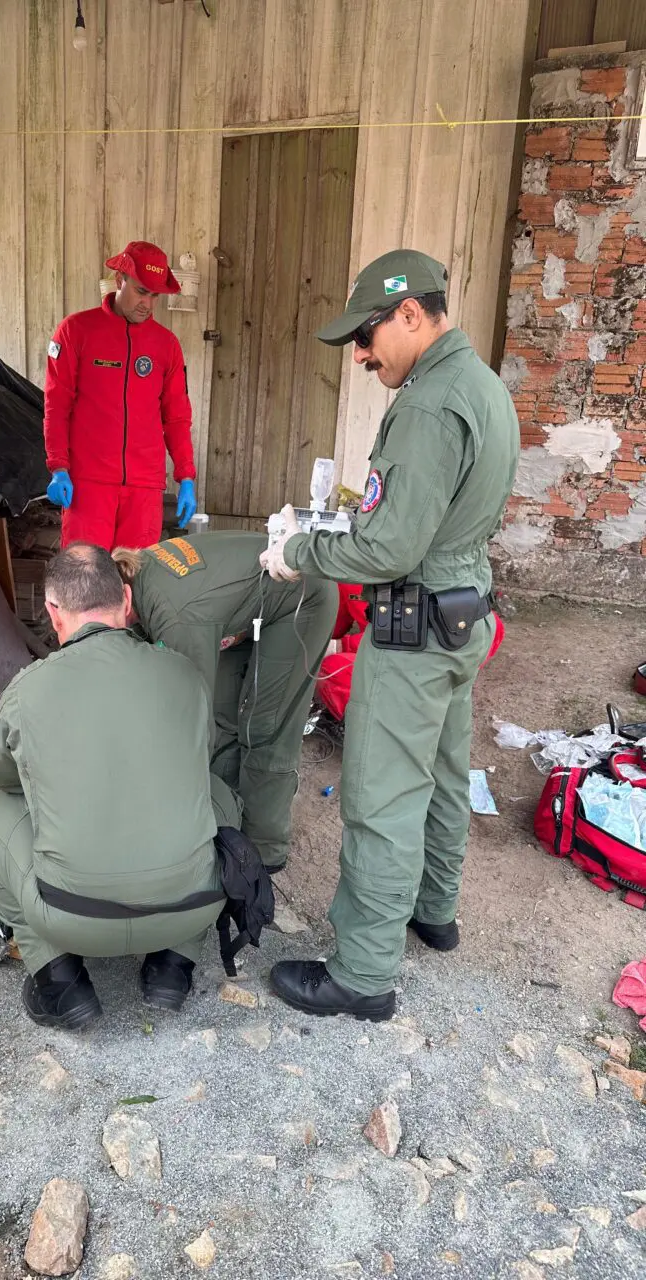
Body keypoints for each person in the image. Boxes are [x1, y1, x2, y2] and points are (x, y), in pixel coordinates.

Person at [261, 249, 519, 1022]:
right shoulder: (480, 384)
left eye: (365, 336)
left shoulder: (430, 405)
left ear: (410, 313)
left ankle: (363, 973)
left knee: (381, 797)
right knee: (442, 774)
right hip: (463, 615)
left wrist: (298, 551)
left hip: (414, 630)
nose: (361, 355)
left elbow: (388, 551)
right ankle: (434, 911)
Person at [0, 543, 243, 1031]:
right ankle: (173, 965)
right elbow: (198, 761)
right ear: (127, 600)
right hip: (191, 906)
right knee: (221, 795)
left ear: (53, 611)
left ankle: (59, 978)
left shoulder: (27, 689)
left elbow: (7, 782)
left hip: (72, 915)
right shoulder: (183, 672)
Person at [113, 532, 338, 872]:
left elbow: (191, 720)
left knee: (265, 726)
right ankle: (227, 823)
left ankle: (263, 853)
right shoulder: (134, 575)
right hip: (241, 608)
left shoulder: (176, 615)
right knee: (222, 713)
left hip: (301, 597)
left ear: (124, 600)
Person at [43, 241, 197, 550]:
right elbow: (56, 406)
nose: (147, 304)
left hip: (144, 488)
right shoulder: (76, 331)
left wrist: (186, 477)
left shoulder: (166, 345)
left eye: (155, 296)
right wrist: (58, 467)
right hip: (89, 484)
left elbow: (177, 418)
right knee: (86, 574)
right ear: (119, 280)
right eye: (141, 291)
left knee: (135, 575)